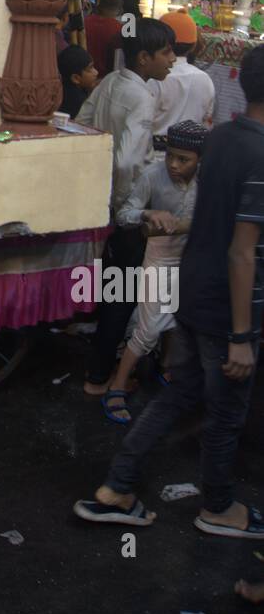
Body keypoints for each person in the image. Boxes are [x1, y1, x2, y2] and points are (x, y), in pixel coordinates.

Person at [74, 45, 264, 541]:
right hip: (228, 306)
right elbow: (242, 250)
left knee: (179, 396)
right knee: (224, 413)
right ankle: (217, 507)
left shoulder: (221, 141)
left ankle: (117, 488)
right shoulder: (257, 152)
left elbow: (205, 223)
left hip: (196, 293)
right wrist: (242, 333)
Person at [76, 18, 176, 393]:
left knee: (112, 288)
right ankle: (99, 378)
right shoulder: (141, 96)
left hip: (102, 200)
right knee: (122, 292)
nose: (172, 59)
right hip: (124, 207)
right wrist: (127, 207)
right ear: (144, 57)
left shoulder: (110, 82)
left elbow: (82, 126)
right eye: (166, 52)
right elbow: (127, 161)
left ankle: (100, 364)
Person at [103, 120, 206, 422]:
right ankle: (117, 385)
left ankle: (166, 368)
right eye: (170, 155)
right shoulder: (153, 174)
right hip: (159, 255)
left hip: (191, 256)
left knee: (177, 319)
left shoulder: (209, 179)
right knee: (148, 330)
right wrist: (148, 212)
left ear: (200, 159)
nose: (173, 164)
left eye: (183, 159)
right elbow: (123, 215)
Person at [149, 9, 214, 133]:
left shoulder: (155, 77)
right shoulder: (205, 79)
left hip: (152, 150)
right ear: (193, 45)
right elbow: (207, 122)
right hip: (191, 150)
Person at [83, 0, 123, 77]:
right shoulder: (120, 30)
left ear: (98, 1)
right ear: (120, 4)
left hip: (84, 79)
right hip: (107, 81)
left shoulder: (84, 23)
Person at [58, 45, 98, 119]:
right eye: (90, 68)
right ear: (75, 78)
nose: (96, 72)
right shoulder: (78, 102)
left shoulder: (61, 92)